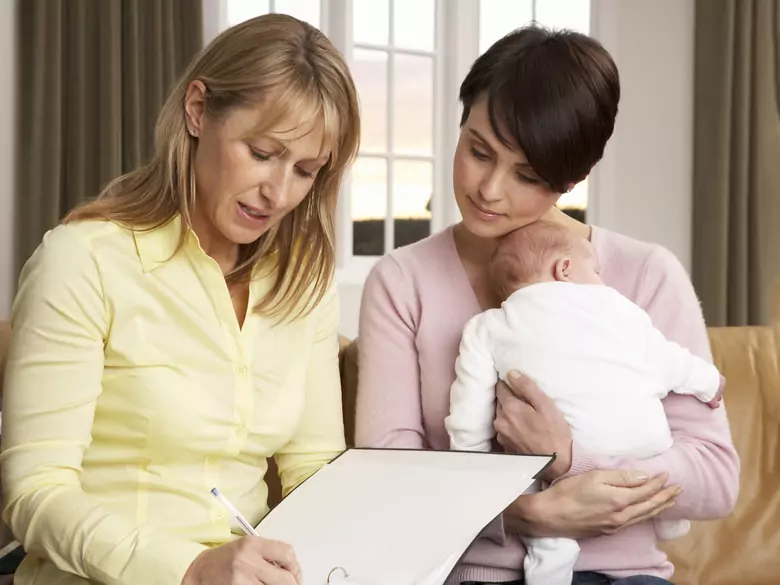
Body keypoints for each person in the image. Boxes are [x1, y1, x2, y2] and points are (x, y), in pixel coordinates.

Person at [355, 25, 740, 585]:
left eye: (528, 175)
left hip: (626, 577)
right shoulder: (402, 281)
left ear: (574, 177)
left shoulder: (646, 274)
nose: (489, 189)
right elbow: (387, 478)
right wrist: (525, 514)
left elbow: (714, 476)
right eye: (478, 151)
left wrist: (571, 462)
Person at [0, 14, 359, 585]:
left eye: (306, 171)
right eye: (262, 152)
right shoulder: (83, 261)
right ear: (197, 110)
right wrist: (188, 569)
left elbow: (314, 471)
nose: (279, 192)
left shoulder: (303, 282)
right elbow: (36, 493)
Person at [444, 220, 725, 585]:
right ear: (565, 269)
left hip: (550, 457)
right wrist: (707, 382)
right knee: (656, 459)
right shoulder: (615, 306)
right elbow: (665, 359)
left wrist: (474, 459)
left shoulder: (489, 325)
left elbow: (468, 410)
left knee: (536, 490)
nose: (601, 280)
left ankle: (549, 567)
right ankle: (669, 519)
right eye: (595, 270)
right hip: (644, 440)